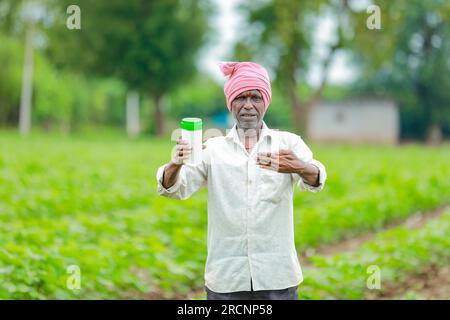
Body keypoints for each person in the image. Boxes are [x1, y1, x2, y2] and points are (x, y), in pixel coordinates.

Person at [156, 61, 327, 300]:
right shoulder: (212, 149)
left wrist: (298, 166)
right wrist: (176, 163)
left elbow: (317, 176)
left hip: (277, 277)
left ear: (265, 102)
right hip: (226, 279)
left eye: (255, 97)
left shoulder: (288, 143)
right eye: (240, 98)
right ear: (231, 104)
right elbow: (174, 189)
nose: (248, 106)